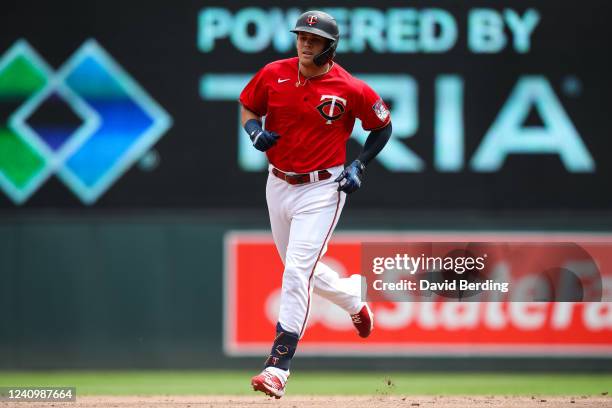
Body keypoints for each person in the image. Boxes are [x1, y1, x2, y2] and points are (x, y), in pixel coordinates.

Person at [239, 10, 393, 399]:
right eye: (301, 37)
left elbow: (382, 126)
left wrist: (359, 164)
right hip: (278, 182)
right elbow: (248, 107)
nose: (305, 44)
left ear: (330, 46)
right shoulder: (274, 72)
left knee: (295, 273)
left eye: (314, 39)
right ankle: (353, 299)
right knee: (300, 270)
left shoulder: (349, 87)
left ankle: (278, 367)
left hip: (323, 188)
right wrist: (254, 131)